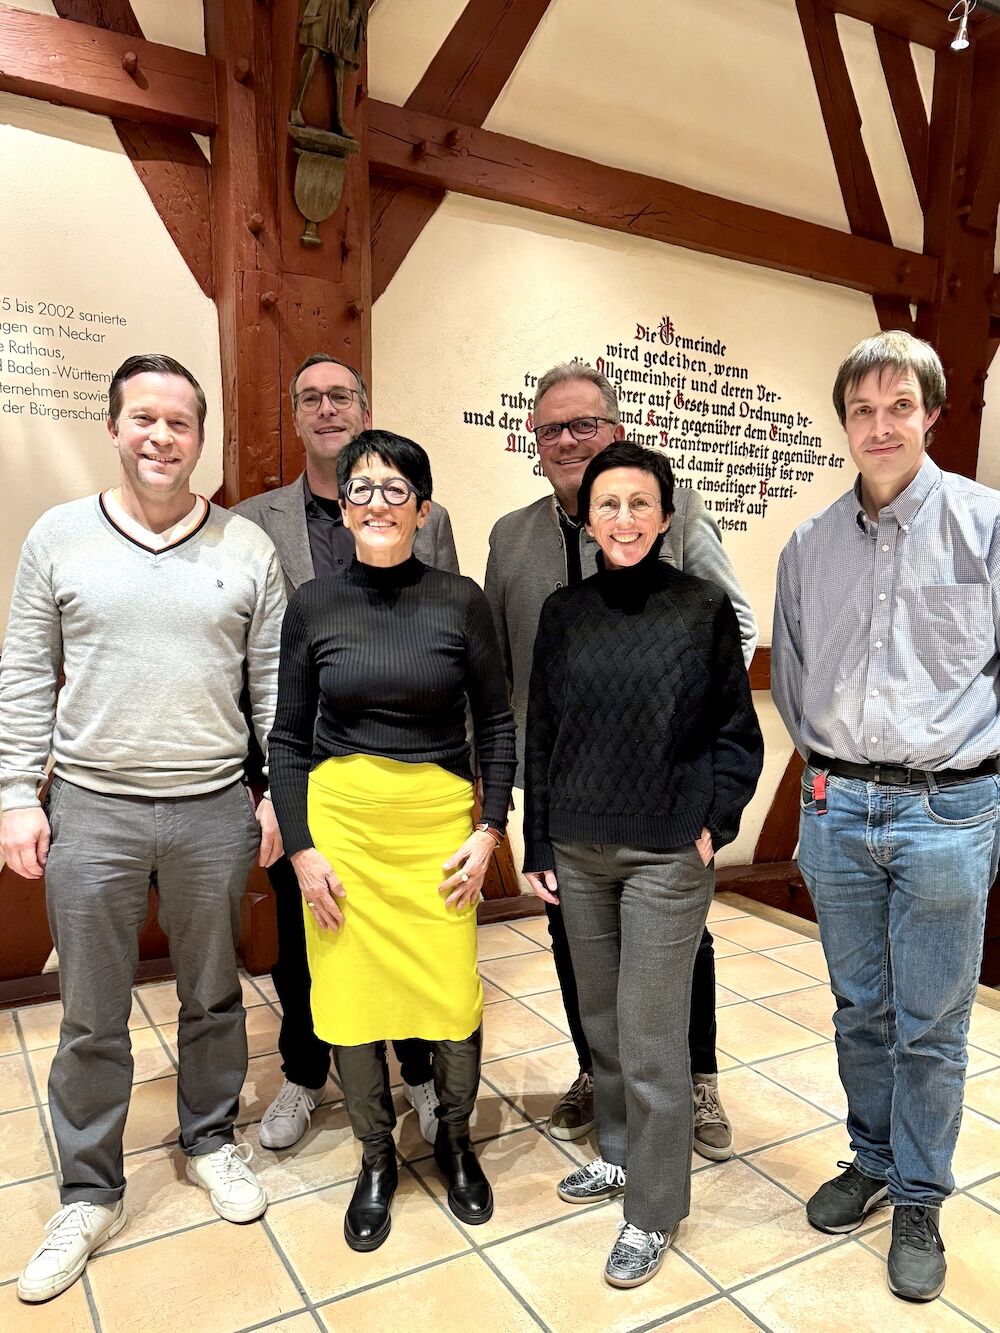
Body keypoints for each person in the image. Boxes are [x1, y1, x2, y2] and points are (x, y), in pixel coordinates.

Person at [0, 354, 286, 1305]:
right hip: (92, 807)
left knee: (213, 993)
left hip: (213, 807)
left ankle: (210, 1139)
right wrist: (15, 793)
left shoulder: (246, 548)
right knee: (91, 1013)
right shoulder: (58, 537)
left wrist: (278, 795)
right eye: (144, 418)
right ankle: (89, 1190)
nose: (162, 437)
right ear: (115, 426)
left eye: (180, 422)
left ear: (201, 437)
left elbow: (275, 686)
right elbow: (25, 672)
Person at [772, 329, 1000, 1304]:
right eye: (861, 409)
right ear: (844, 423)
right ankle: (871, 1158)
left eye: (898, 406)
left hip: (947, 810)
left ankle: (918, 1195)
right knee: (859, 1009)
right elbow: (793, 678)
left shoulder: (987, 527)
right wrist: (834, 770)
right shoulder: (809, 545)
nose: (879, 425)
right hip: (836, 806)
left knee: (931, 1024)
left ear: (931, 415)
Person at [485, 362, 757, 1157]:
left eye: (585, 424)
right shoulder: (511, 535)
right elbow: (502, 661)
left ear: (616, 430)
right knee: (578, 944)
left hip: (662, 789)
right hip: (568, 790)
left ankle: (694, 1076)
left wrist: (685, 750)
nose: (568, 440)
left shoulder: (674, 509)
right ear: (535, 443)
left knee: (676, 948)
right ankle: (598, 1072)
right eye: (552, 429)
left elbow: (731, 625)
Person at [268, 429, 515, 1251]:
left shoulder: (460, 600)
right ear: (343, 508)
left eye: (395, 488)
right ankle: (376, 1158)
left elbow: (497, 723)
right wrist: (301, 848)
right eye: (362, 489)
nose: (378, 502)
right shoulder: (313, 605)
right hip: (341, 830)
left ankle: (456, 1141)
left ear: (423, 507)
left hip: (437, 832)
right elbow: (287, 738)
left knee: (450, 995)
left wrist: (490, 829)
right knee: (348, 999)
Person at [523, 441, 762, 1287]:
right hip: (578, 849)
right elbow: (542, 735)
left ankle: (654, 1209)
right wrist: (537, 840)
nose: (623, 518)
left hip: (667, 850)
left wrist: (715, 821)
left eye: (639, 503)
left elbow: (737, 733)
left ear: (665, 517)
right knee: (602, 1022)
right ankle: (621, 1151)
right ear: (586, 519)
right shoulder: (563, 612)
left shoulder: (701, 608)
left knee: (654, 1033)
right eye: (608, 504)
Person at [234, 354, 458, 1151]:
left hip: (408, 772)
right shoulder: (253, 522)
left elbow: (452, 643)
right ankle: (304, 1070)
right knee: (309, 932)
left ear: (365, 409)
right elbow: (248, 655)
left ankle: (419, 1070)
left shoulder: (429, 515)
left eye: (341, 396)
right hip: (299, 764)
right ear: (295, 416)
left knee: (412, 929)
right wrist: (265, 779)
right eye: (311, 398)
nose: (327, 408)